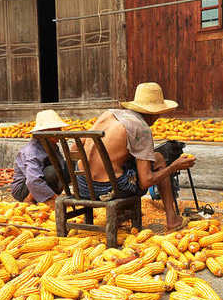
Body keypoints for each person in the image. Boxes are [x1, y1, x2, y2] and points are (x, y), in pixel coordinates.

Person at [77, 82, 195, 231]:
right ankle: (172, 219)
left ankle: (124, 213)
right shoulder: (141, 128)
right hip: (105, 189)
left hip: (81, 184)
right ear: (156, 113)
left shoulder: (108, 115)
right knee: (158, 158)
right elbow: (146, 181)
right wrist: (174, 166)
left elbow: (76, 147)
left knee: (125, 162)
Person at [10, 109, 68, 208]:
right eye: (55, 129)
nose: (59, 133)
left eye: (59, 129)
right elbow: (33, 180)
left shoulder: (52, 145)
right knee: (52, 171)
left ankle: (45, 196)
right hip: (23, 188)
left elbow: (62, 166)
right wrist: (55, 198)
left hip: (40, 181)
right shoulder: (31, 151)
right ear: (43, 132)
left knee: (68, 166)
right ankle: (29, 199)